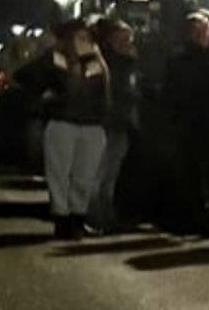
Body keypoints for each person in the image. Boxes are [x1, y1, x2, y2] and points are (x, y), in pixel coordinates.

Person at [19, 20, 111, 239]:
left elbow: (105, 96)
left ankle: (78, 218)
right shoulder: (56, 58)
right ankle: (62, 219)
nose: (85, 42)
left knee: (85, 175)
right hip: (63, 122)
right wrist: (48, 99)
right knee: (59, 174)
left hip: (91, 125)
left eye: (87, 38)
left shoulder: (96, 63)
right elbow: (25, 77)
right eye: (79, 37)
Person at [163, 12, 209, 235]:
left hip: (203, 127)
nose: (200, 36)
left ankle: (205, 219)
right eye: (197, 32)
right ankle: (203, 220)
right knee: (198, 176)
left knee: (206, 176)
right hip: (197, 127)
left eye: (203, 31)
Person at [88, 19, 141, 234]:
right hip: (107, 123)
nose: (128, 42)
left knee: (110, 175)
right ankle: (94, 217)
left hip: (120, 123)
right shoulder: (107, 62)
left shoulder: (129, 63)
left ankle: (106, 215)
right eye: (123, 38)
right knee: (99, 173)